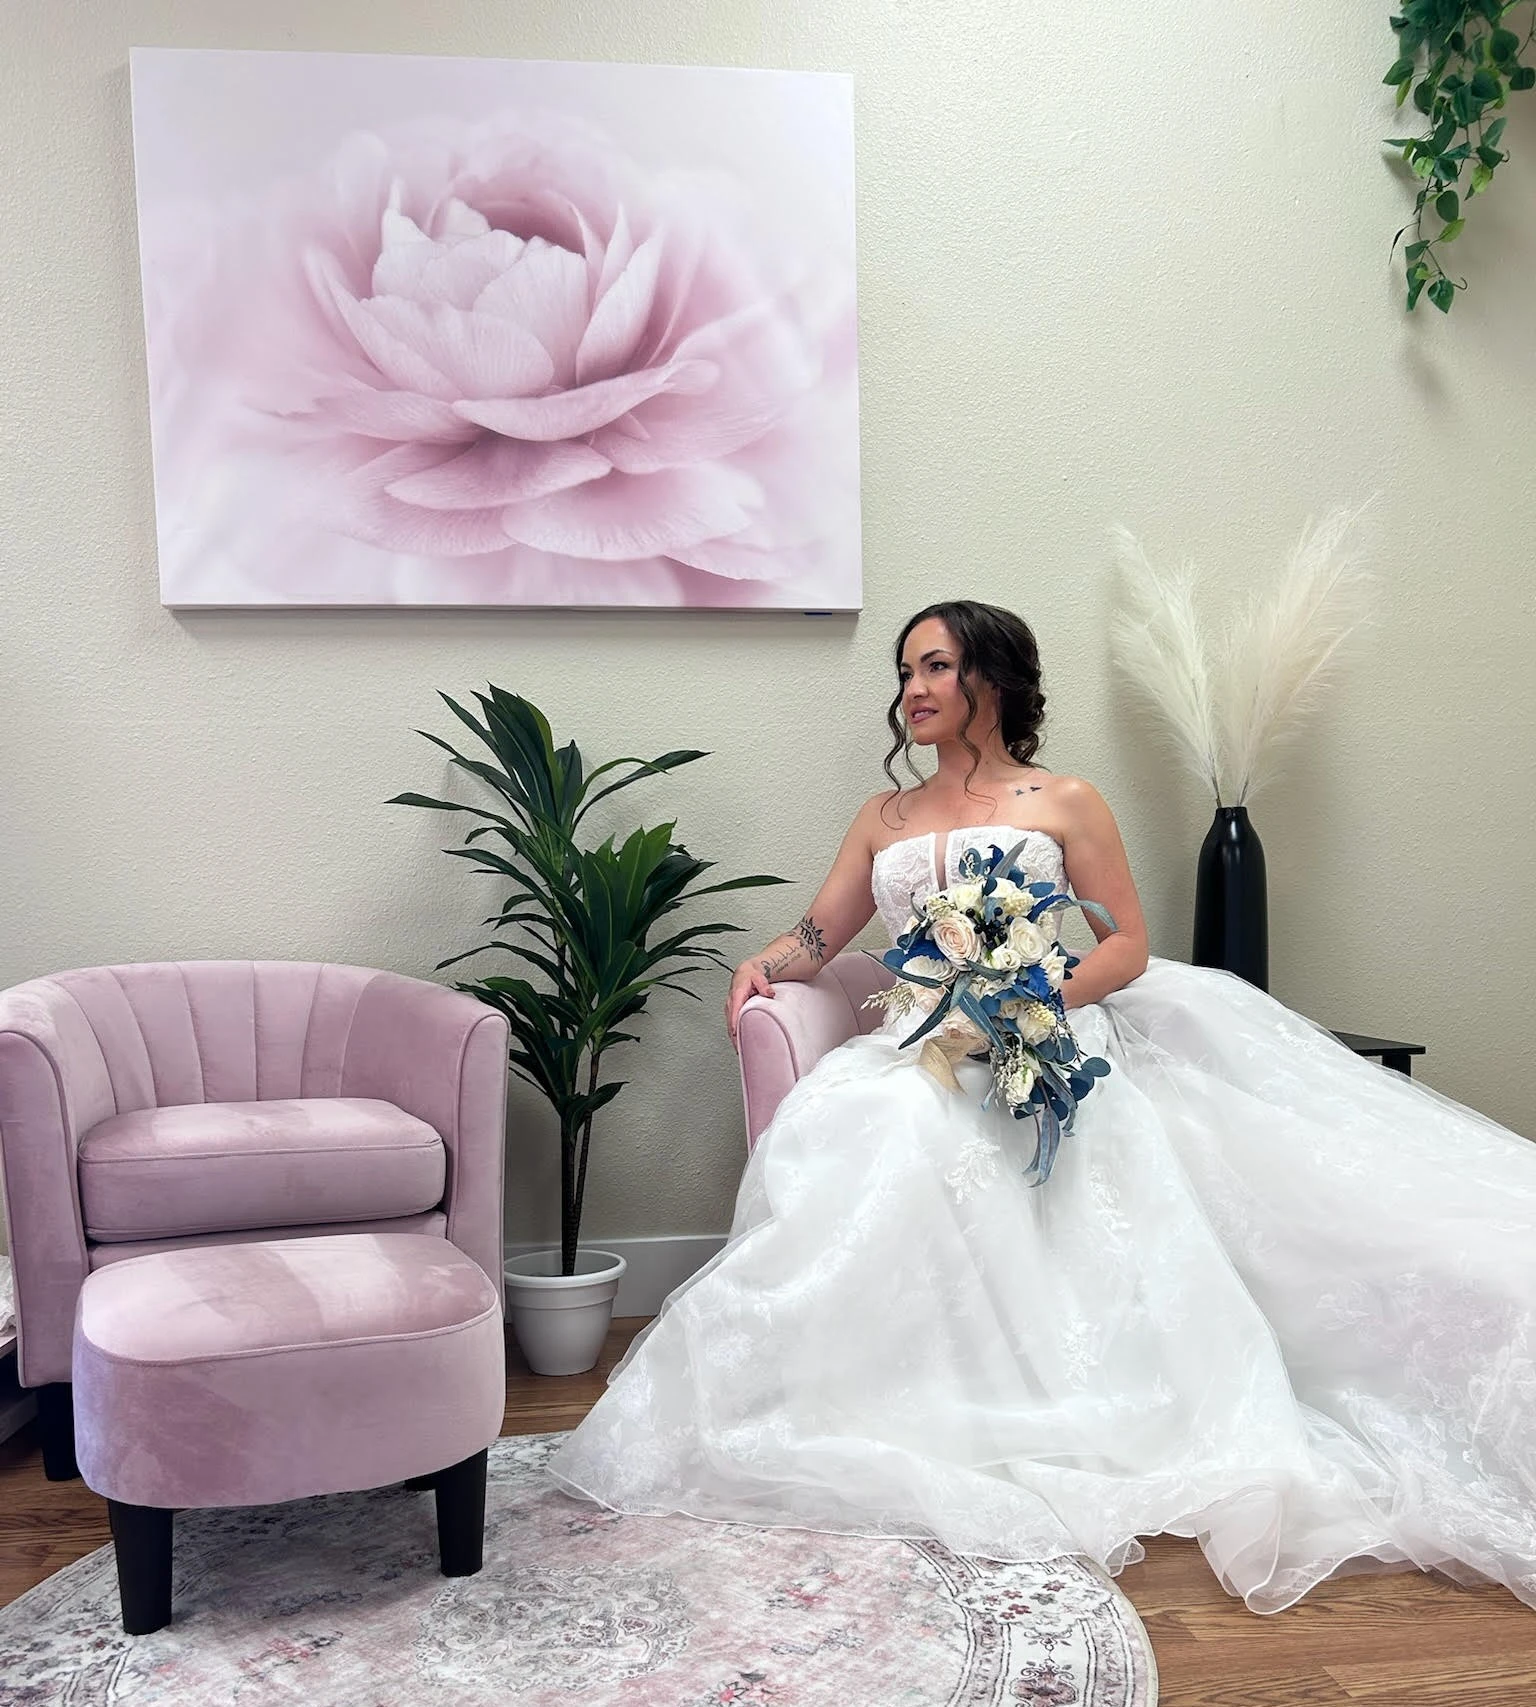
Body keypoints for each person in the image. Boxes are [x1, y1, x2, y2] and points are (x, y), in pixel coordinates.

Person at [551, 599, 1536, 1615]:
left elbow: (1124, 944)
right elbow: (824, 928)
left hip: (1042, 1031)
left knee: (941, 1127)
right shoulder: (883, 819)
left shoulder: (1066, 801)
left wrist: (1027, 1004)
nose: (913, 691)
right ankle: (848, 1395)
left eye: (934, 667)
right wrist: (764, 962)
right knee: (876, 1121)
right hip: (921, 1046)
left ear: (995, 680)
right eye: (904, 674)